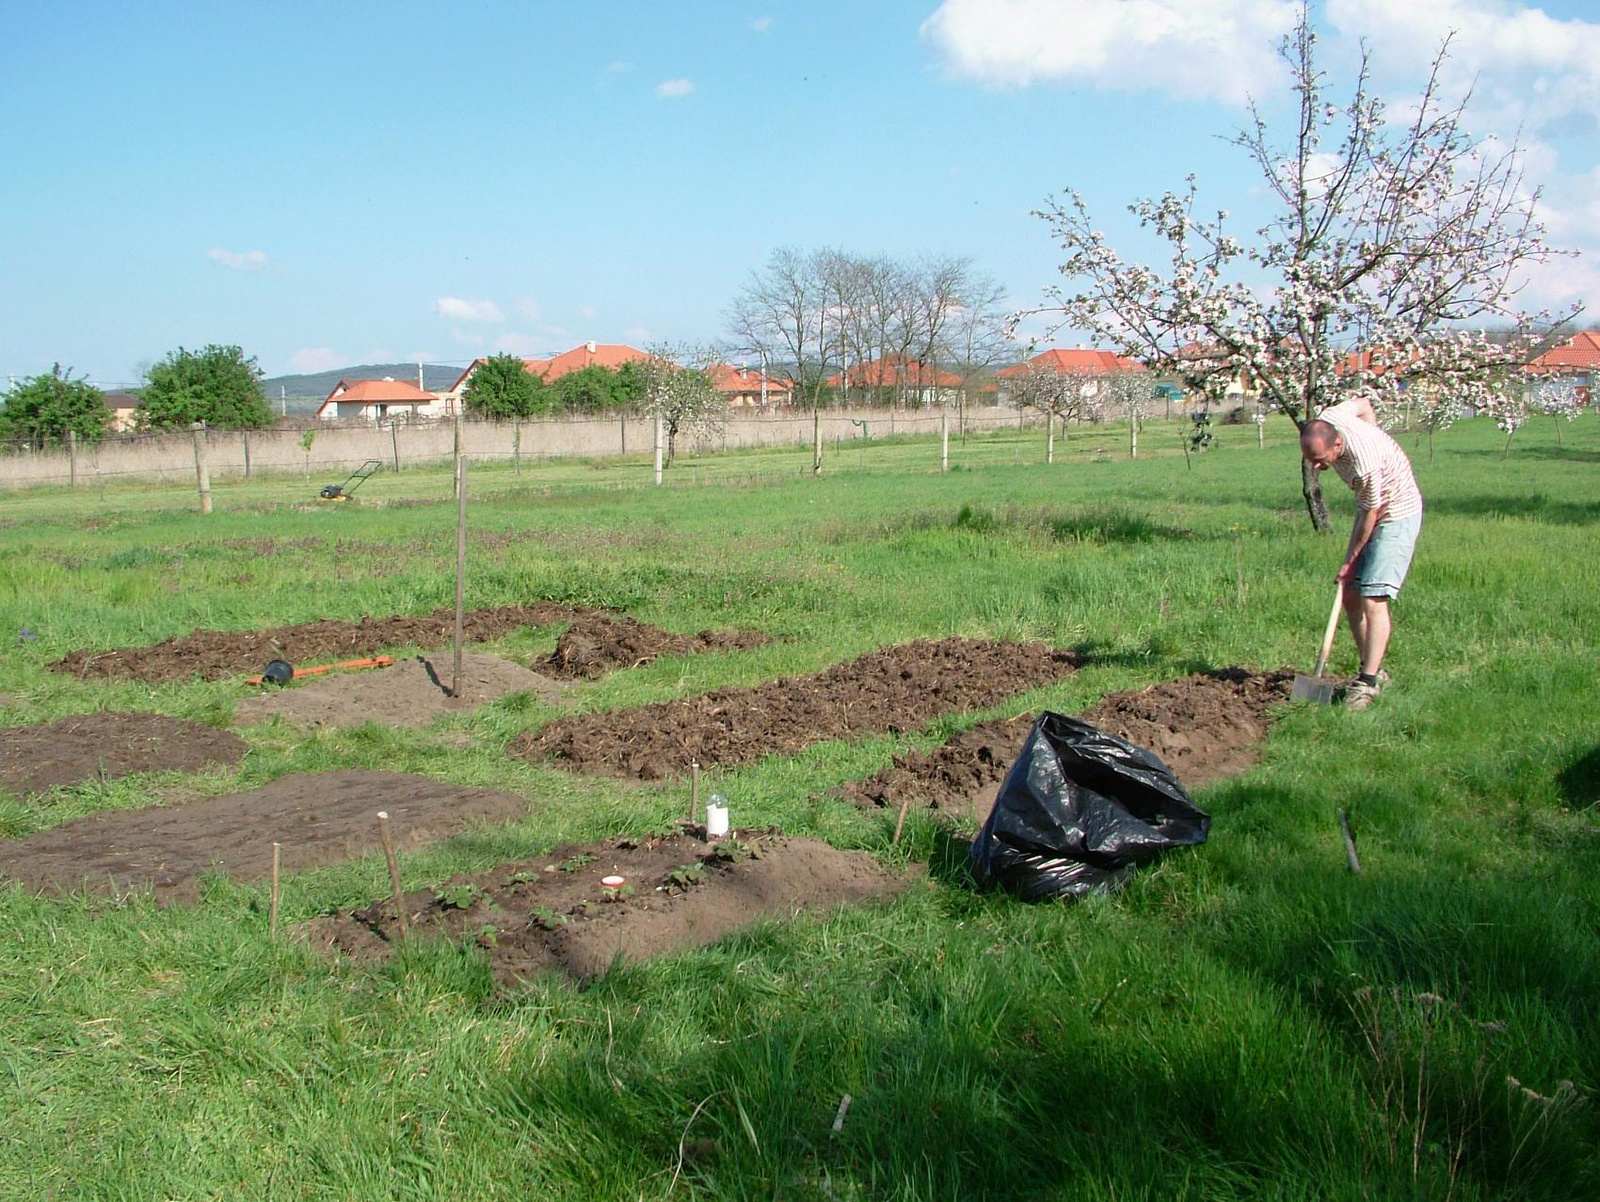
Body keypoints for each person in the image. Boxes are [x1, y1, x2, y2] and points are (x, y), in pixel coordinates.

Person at [1299, 393, 1424, 709]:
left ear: (1337, 446)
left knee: (1372, 596)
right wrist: (1376, 433)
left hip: (1396, 513)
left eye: (1319, 459)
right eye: (1309, 459)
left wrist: (1350, 561)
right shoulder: (1333, 416)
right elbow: (1364, 403)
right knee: (1351, 595)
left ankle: (1366, 684)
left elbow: (1371, 516)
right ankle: (1374, 669)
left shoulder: (1365, 466)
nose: (1315, 466)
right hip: (1370, 510)